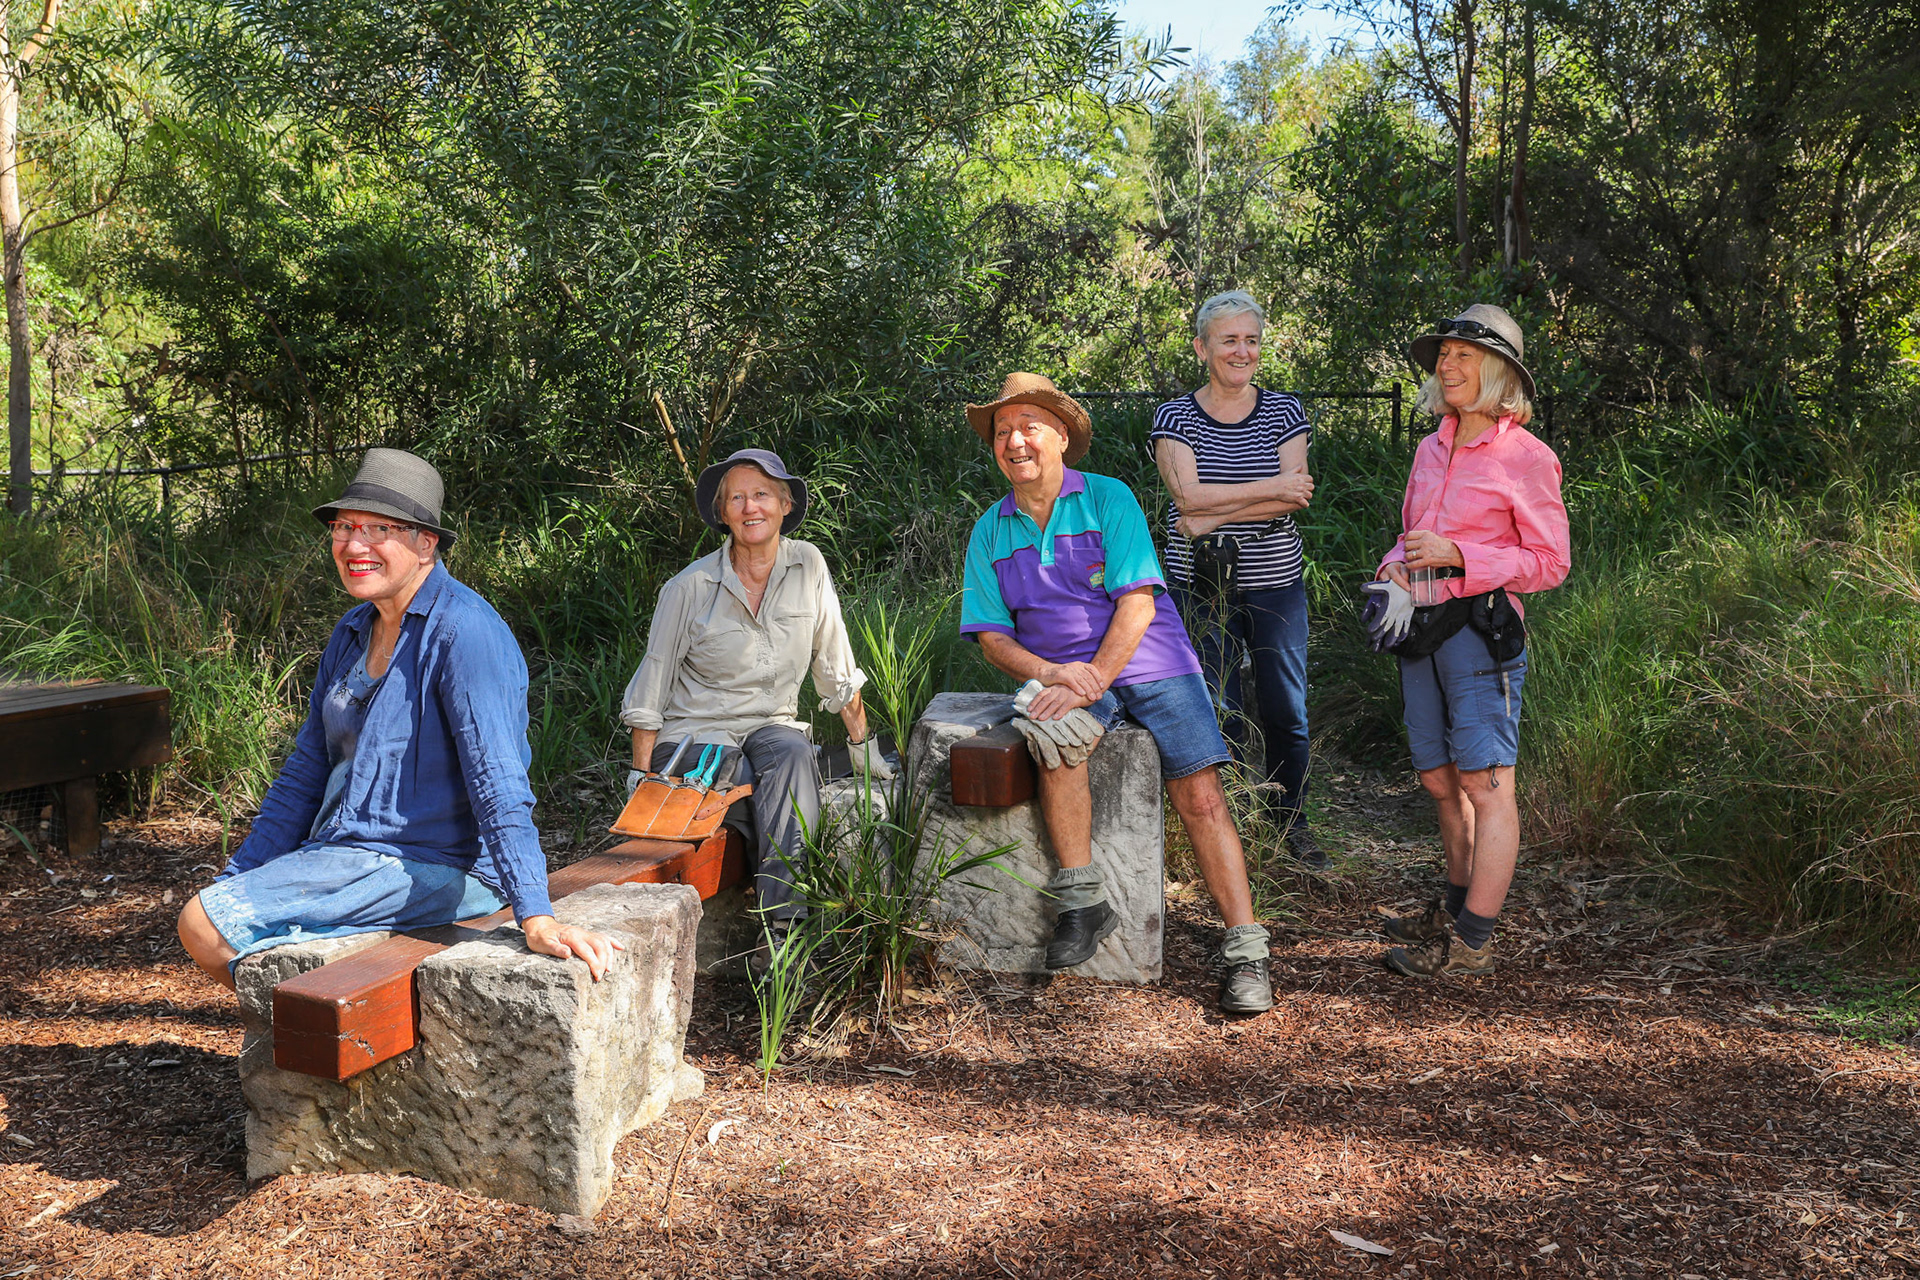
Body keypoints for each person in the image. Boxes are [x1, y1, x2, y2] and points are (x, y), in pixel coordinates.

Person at [177, 448, 623, 991]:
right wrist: (242, 872)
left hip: (437, 865)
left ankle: (313, 1047)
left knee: (203, 923)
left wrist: (536, 914)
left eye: (377, 529)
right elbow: (306, 769)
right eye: (344, 527)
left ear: (425, 543)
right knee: (223, 916)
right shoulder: (352, 630)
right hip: (347, 850)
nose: (354, 545)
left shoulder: (464, 632)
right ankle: (310, 1049)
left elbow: (498, 784)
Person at [960, 372, 1274, 1015]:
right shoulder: (990, 529)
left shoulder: (1107, 498)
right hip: (1064, 671)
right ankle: (1083, 901)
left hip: (1152, 661)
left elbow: (1136, 602)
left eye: (1029, 427)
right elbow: (991, 637)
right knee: (1055, 739)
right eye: (1002, 431)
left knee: (1200, 793)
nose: (1014, 441)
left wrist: (1097, 676)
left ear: (1062, 436)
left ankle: (1246, 949)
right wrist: (1052, 675)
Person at [1364, 304, 1570, 977]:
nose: (1445, 366)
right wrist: (1395, 563)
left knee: (1488, 784)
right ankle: (1454, 908)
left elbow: (1550, 563)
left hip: (1482, 634)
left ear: (1500, 371)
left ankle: (1473, 942)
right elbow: (1414, 531)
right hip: (1420, 630)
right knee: (1437, 778)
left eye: (1462, 355)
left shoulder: (1528, 458)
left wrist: (1461, 557)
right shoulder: (1431, 446)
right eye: (1442, 355)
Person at [619, 449, 890, 955]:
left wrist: (864, 748)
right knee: (764, 781)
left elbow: (835, 664)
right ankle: (788, 935)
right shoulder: (689, 587)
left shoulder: (807, 563)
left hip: (770, 727)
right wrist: (641, 779)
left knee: (789, 753)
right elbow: (650, 688)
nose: (750, 507)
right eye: (737, 498)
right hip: (696, 741)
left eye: (762, 494)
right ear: (722, 514)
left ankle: (781, 937)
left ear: (785, 504)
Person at [1151, 290, 1321, 869]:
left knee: (1285, 708)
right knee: (1215, 707)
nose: (1241, 350)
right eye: (1229, 340)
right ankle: (1228, 825)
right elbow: (1185, 498)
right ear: (1203, 348)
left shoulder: (1285, 411)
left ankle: (1289, 821)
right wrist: (1268, 488)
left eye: (1250, 339)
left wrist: (1208, 512)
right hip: (1201, 586)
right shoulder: (1174, 416)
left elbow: (1295, 495)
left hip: (1277, 582)